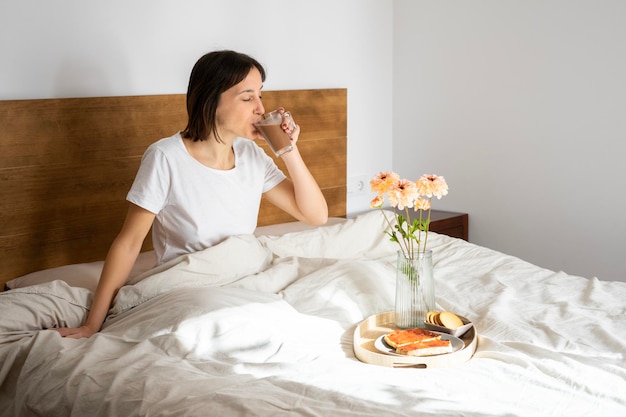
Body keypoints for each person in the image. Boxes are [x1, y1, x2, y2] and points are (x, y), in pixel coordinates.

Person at [55, 50, 328, 338]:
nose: (260, 108)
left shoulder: (251, 156)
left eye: (260, 95)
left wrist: (288, 149)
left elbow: (316, 216)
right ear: (211, 100)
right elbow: (129, 243)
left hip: (244, 276)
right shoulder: (166, 157)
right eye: (248, 98)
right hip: (191, 287)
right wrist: (91, 325)